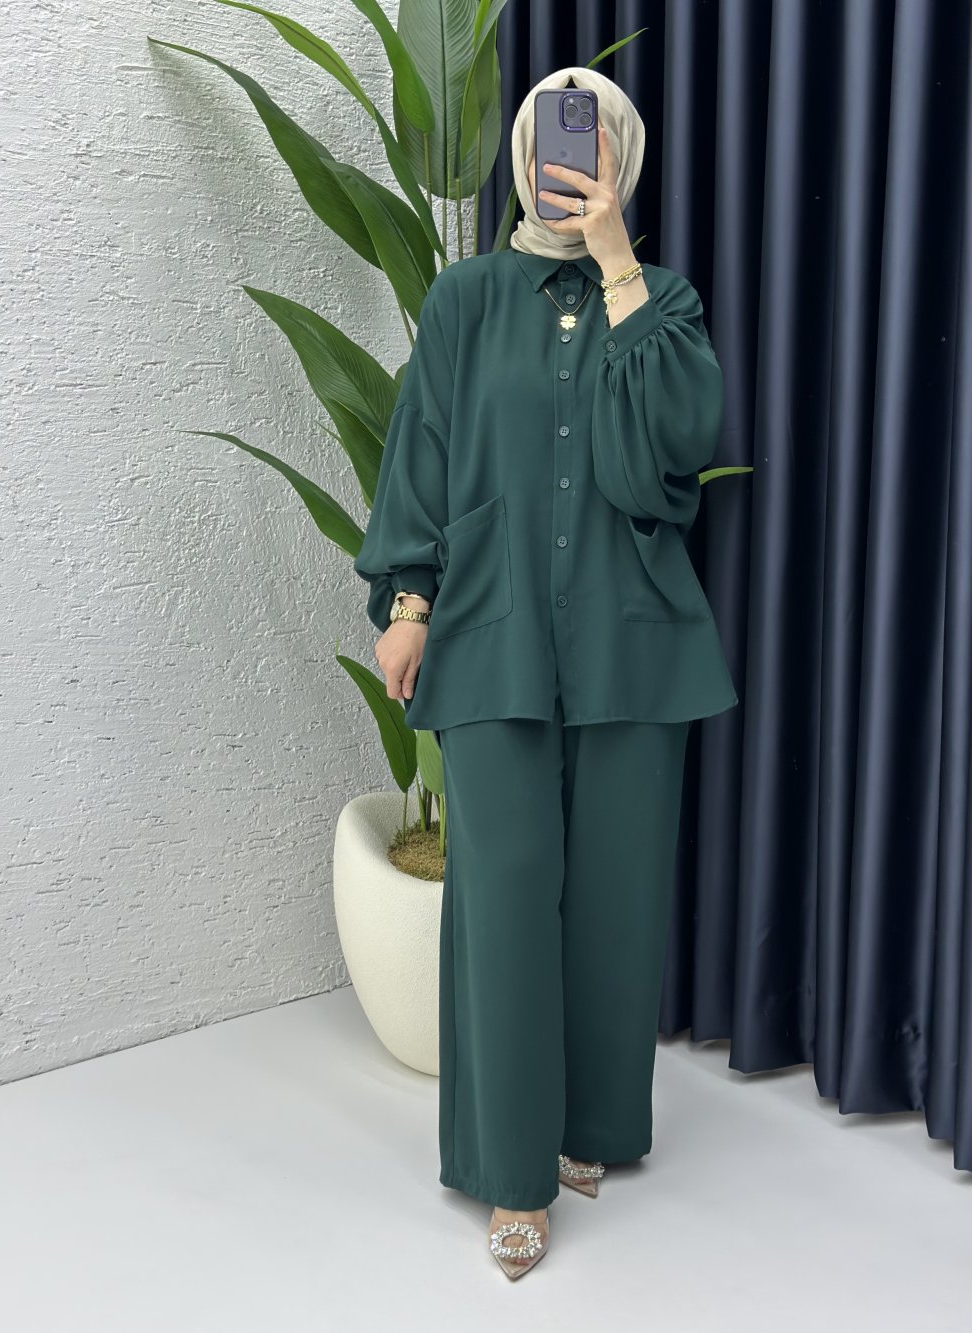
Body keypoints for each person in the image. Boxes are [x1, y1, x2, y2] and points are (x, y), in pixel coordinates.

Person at [353, 66, 739, 1279]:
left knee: (617, 894)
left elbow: (667, 456)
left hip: (632, 638)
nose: (561, 162)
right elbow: (423, 448)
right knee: (507, 892)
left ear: (617, 154)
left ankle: (590, 1127)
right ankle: (510, 1173)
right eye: (548, 139)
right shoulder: (465, 298)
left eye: (589, 140)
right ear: (523, 155)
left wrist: (618, 263)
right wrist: (408, 603)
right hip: (491, 628)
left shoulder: (661, 303)